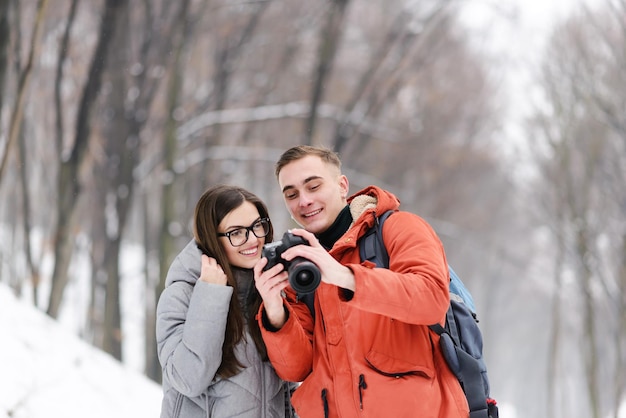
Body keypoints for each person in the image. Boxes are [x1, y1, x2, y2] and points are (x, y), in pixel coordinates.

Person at [254, 145, 469, 418]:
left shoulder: (399, 228)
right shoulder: (301, 269)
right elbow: (296, 368)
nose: (304, 201)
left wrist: (344, 276)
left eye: (313, 186)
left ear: (342, 185)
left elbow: (431, 299)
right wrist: (275, 310)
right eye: (292, 194)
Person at [156, 184, 296, 418]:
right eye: (236, 232)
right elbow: (188, 379)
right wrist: (210, 295)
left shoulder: (270, 290)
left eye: (257, 226)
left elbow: (289, 386)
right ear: (213, 239)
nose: (252, 240)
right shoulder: (182, 294)